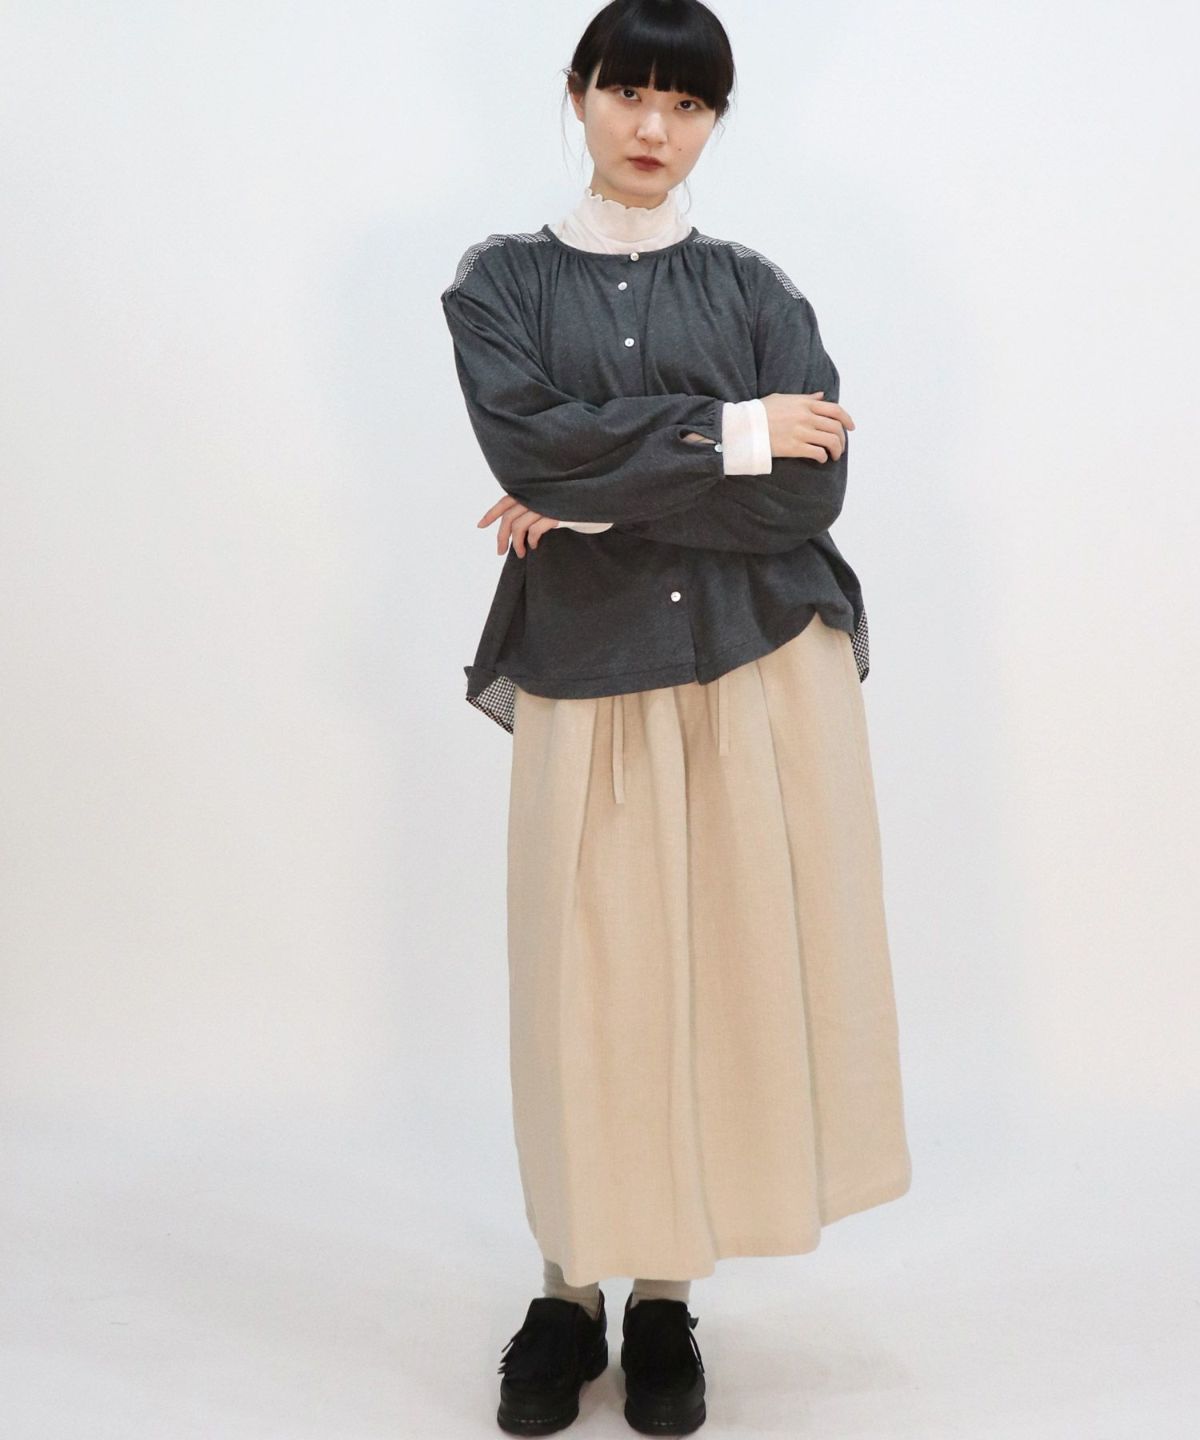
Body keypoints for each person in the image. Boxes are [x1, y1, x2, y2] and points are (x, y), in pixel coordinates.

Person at [440, 2, 913, 1432]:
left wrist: (594, 498)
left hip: (756, 665)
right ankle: (565, 1294)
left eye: (689, 105)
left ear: (714, 121)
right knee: (585, 987)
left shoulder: (757, 289)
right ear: (578, 93)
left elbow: (811, 496)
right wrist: (736, 432)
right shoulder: (501, 285)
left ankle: (663, 1300)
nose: (655, 129)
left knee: (718, 977)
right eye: (629, 93)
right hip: (585, 668)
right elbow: (528, 442)